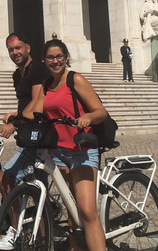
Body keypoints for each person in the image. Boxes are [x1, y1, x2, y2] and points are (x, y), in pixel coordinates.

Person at [24, 39, 107, 251]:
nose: (55, 61)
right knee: (72, 209)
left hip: (82, 150)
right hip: (59, 153)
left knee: (87, 211)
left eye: (59, 56)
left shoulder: (75, 79)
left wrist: (88, 117)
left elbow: (101, 112)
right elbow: (36, 112)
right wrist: (14, 118)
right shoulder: (46, 85)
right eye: (50, 57)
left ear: (66, 58)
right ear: (44, 60)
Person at [0, 32, 49, 250]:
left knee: (14, 182)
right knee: (8, 180)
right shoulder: (17, 75)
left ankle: (43, 240)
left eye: (18, 48)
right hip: (28, 135)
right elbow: (26, 103)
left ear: (28, 47)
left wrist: (15, 122)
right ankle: (17, 229)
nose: (15, 52)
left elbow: (38, 103)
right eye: (11, 50)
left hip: (41, 135)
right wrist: (14, 114)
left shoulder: (37, 69)